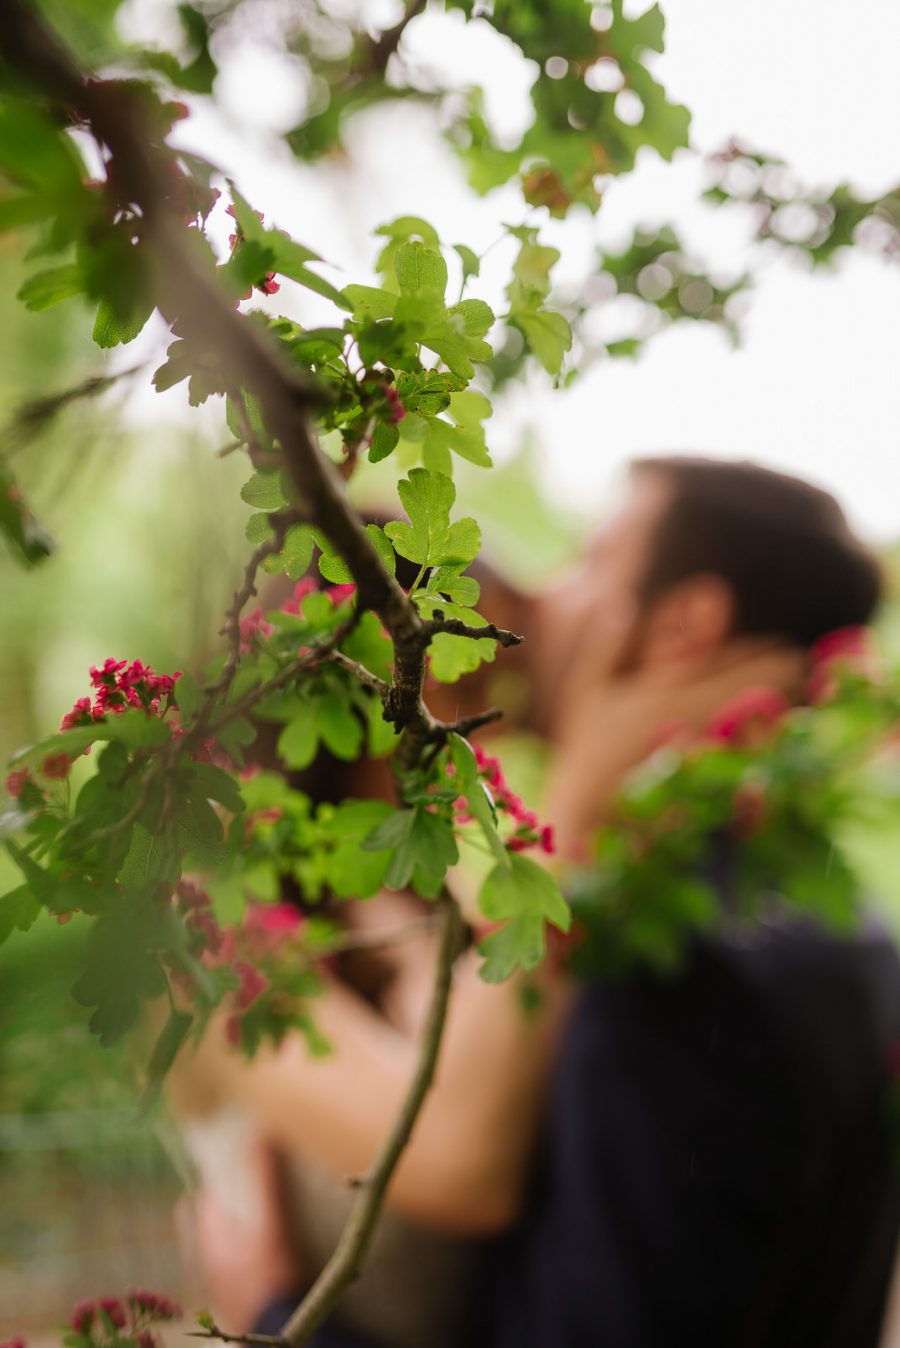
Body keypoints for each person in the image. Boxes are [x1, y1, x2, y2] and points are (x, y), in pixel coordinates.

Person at [172, 456, 900, 1347]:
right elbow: (460, 1162)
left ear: (686, 624)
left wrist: (273, 1309)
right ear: (351, 672)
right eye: (458, 662)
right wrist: (583, 806)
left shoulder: (605, 943)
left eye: (589, 558)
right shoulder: (216, 933)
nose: (528, 625)